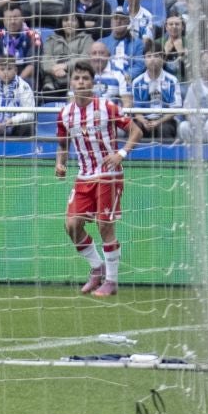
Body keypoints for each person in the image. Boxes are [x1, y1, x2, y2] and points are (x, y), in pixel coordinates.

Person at [56, 60, 141, 299]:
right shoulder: (64, 114)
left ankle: (112, 281)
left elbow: (136, 130)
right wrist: (60, 163)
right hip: (83, 176)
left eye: (85, 78)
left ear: (93, 83)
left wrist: (121, 154)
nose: (81, 82)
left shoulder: (107, 107)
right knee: (72, 226)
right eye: (77, 78)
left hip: (108, 176)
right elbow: (62, 144)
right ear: (71, 83)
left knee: (105, 226)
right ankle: (97, 268)